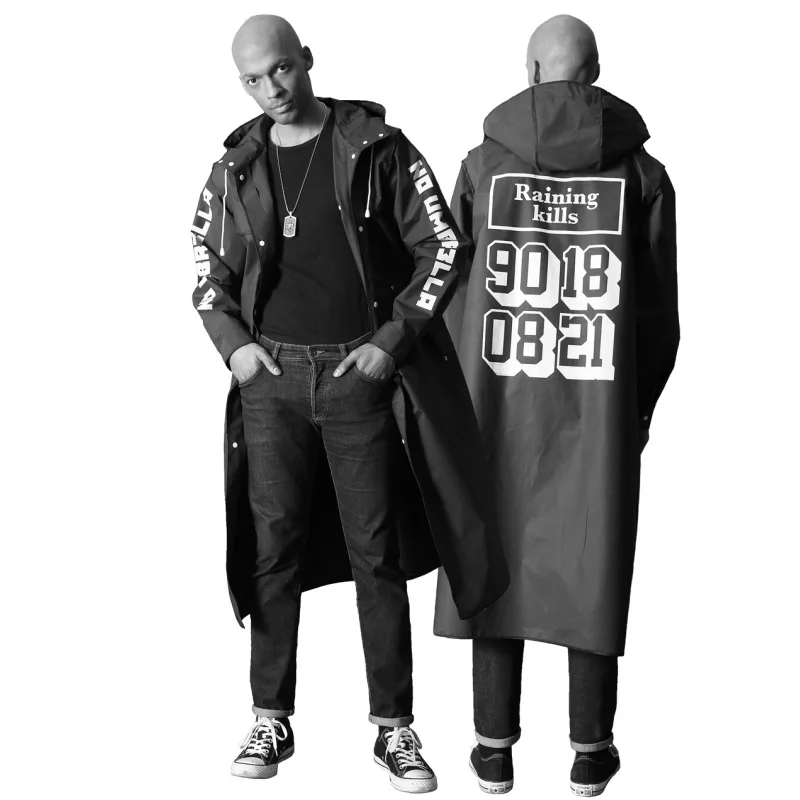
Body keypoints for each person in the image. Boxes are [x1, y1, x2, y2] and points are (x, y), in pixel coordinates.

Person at [189, 14, 508, 793]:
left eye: (280, 69)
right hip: (271, 382)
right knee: (272, 551)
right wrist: (235, 347)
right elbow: (203, 259)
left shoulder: (377, 148)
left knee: (377, 554)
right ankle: (270, 716)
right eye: (253, 79)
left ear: (306, 59)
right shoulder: (236, 165)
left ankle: (394, 729)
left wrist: (390, 343)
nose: (271, 89)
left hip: (357, 378)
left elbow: (444, 246)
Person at [433, 13, 679, 797]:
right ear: (595, 74)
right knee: (590, 561)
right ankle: (590, 752)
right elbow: (658, 314)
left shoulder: (482, 166)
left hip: (492, 403)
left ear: (531, 72)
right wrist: (639, 408)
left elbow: (444, 288)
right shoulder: (642, 176)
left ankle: (492, 749)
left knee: (493, 560)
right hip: (597, 410)